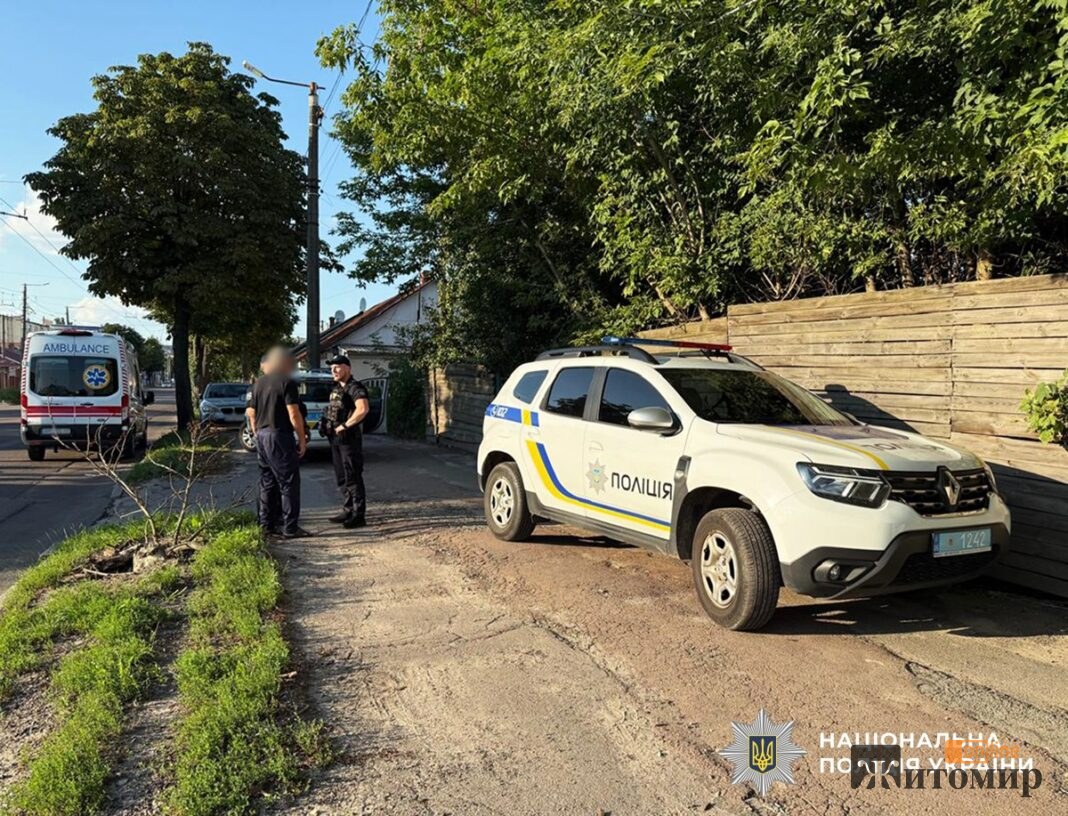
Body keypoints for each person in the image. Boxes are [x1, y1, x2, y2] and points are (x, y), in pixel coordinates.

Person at [246, 346, 309, 538]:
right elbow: (293, 413)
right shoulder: (287, 382)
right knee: (289, 482)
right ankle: (290, 527)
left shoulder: (257, 384)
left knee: (267, 481)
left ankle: (266, 525)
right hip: (279, 435)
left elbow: (251, 413)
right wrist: (302, 438)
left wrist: (256, 433)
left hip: (262, 435)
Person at [321, 354, 370, 528]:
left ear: (347, 368)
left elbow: (363, 409)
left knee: (352, 475)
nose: (333, 370)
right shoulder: (337, 389)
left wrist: (345, 425)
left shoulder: (355, 387)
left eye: (337, 366)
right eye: (331, 368)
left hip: (349, 439)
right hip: (335, 438)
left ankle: (358, 514)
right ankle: (348, 509)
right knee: (341, 477)